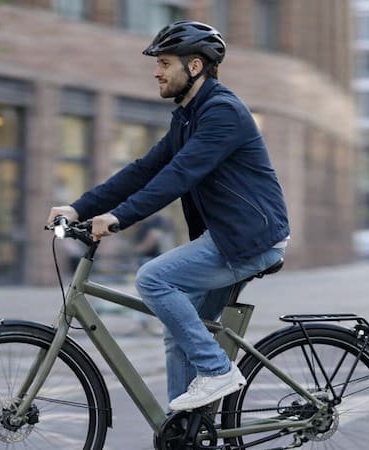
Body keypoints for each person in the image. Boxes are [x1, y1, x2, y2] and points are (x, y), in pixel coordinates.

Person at [47, 20, 290, 412]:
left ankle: (215, 371)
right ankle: (184, 430)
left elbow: (179, 176)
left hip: (246, 240)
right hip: (227, 237)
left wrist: (120, 218)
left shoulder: (222, 113)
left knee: (154, 278)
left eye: (164, 63)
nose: (156, 72)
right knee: (179, 333)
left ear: (194, 67)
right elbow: (144, 170)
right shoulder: (188, 117)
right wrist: (80, 207)